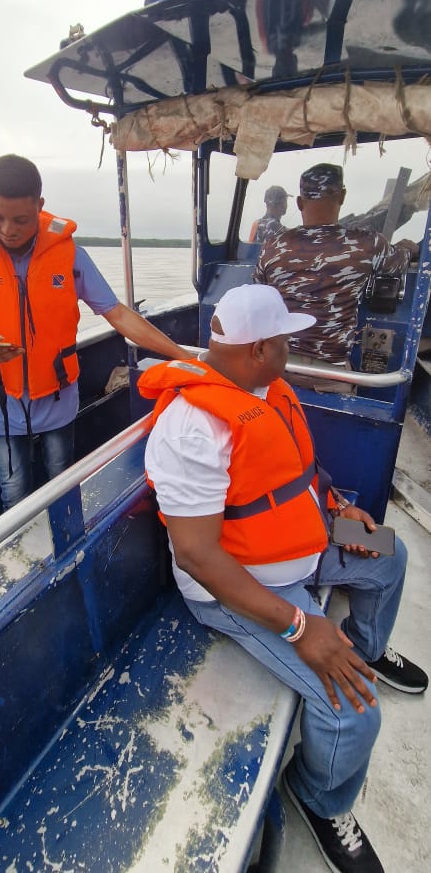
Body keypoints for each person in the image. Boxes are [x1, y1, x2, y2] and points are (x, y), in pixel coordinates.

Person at [140, 284, 427, 873]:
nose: (292, 349)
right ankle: (319, 797)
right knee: (353, 711)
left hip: (304, 540)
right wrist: (302, 626)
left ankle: (365, 649)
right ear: (259, 348)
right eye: (285, 341)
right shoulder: (193, 427)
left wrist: (339, 504)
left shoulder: (267, 388)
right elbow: (196, 555)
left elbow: (297, 468)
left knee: (390, 557)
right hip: (245, 586)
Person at [0, 153, 191, 510]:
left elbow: (117, 313)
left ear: (40, 206)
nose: (8, 229)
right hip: (0, 397)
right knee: (14, 493)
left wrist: (181, 355)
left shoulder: (69, 255)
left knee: (62, 482)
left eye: (21, 220)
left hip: (57, 395)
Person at [253, 163, 418, 386]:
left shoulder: (273, 246)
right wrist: (409, 248)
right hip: (330, 375)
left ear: (300, 203)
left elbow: (258, 292)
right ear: (342, 196)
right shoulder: (367, 244)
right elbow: (398, 263)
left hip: (278, 371)